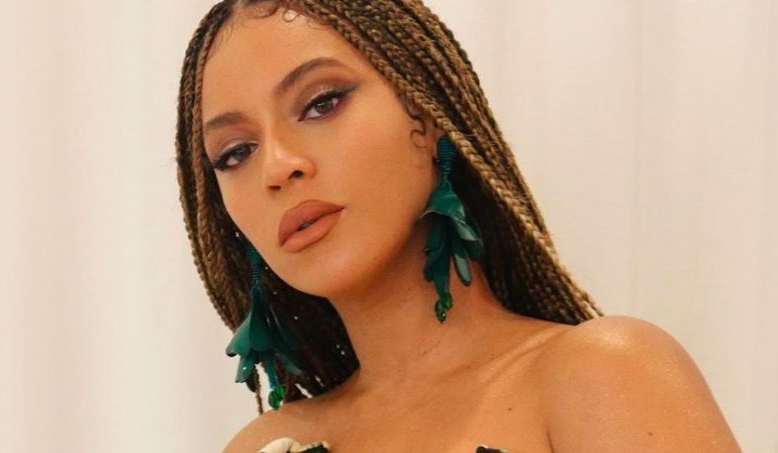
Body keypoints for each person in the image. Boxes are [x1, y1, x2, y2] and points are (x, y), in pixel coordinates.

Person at [174, 1, 741, 451]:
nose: (277, 167)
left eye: (322, 102)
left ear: (427, 115)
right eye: (235, 152)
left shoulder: (606, 374)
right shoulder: (260, 446)